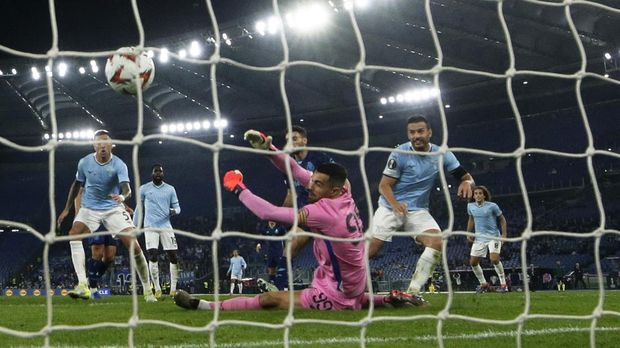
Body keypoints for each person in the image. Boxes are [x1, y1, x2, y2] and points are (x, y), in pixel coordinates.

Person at [174, 129, 424, 311]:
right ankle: (385, 299)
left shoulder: (324, 212)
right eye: (312, 180)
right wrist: (269, 149)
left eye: (317, 184)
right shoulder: (343, 192)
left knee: (271, 300)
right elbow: (294, 169)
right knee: (350, 293)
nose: (310, 186)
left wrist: (239, 189)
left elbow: (269, 213)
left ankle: (203, 306)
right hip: (350, 285)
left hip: (336, 294)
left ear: (333, 190)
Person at [368, 115, 474, 300]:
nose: (416, 135)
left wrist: (468, 183)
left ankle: (412, 293)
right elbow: (383, 185)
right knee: (372, 250)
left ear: (429, 133)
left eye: (420, 131)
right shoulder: (400, 153)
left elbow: (466, 176)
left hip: (417, 211)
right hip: (388, 207)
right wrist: (395, 204)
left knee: (437, 241)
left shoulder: (442, 154)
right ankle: (340, 284)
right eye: (412, 132)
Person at [57, 129, 157, 302]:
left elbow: (126, 187)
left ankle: (148, 290)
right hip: (90, 209)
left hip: (113, 209)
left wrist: (123, 197)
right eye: (99, 142)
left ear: (111, 145)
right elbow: (76, 185)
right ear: (94, 146)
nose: (102, 145)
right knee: (74, 234)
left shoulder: (119, 164)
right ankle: (83, 285)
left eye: (106, 142)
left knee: (133, 245)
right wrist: (67, 209)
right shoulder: (84, 163)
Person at [274, 125, 335, 290]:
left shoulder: (319, 158)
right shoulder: (287, 165)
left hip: (325, 214)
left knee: (332, 253)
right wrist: (277, 215)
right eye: (288, 140)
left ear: (304, 140)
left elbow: (342, 181)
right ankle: (280, 287)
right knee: (291, 245)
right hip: (304, 215)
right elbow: (290, 194)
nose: (291, 143)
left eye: (294, 138)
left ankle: (341, 285)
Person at [133, 163, 181, 299]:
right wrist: (134, 226)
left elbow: (178, 208)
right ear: (152, 173)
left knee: (173, 256)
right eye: (156, 171)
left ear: (163, 174)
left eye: (160, 171)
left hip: (166, 227)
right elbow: (139, 208)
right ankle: (157, 288)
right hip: (150, 227)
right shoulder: (144, 189)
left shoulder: (170, 189)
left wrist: (173, 211)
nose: (158, 173)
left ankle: (173, 289)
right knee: (152, 255)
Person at [466, 186, 508, 293]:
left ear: (484, 195)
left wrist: (504, 234)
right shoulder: (470, 206)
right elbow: (471, 219)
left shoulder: (492, 206)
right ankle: (483, 284)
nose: (478, 195)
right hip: (479, 238)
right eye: (476, 193)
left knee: (494, 259)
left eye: (480, 193)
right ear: (473, 195)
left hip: (493, 236)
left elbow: (502, 219)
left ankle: (504, 285)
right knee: (473, 262)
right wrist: (468, 232)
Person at [255, 221, 286, 291]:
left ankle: (283, 287)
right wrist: (259, 244)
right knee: (271, 271)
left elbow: (286, 237)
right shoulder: (265, 229)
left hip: (279, 252)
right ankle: (272, 286)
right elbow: (261, 237)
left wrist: (286, 248)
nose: (271, 220)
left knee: (280, 269)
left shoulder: (280, 228)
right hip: (270, 253)